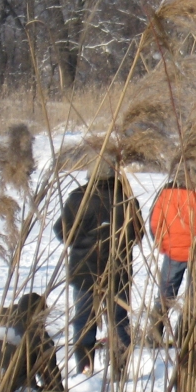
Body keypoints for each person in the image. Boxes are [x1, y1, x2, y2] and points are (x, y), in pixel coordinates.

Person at [53, 159, 144, 376]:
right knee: (119, 319)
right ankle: (120, 369)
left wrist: (82, 239)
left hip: (85, 269)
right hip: (118, 270)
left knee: (84, 319)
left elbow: (62, 232)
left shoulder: (78, 198)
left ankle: (85, 368)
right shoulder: (126, 198)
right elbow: (138, 233)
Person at [148, 181, 196, 338]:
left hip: (173, 252)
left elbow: (155, 222)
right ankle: (185, 335)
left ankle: (154, 333)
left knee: (165, 294)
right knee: (195, 297)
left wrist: (162, 245)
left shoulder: (166, 192)